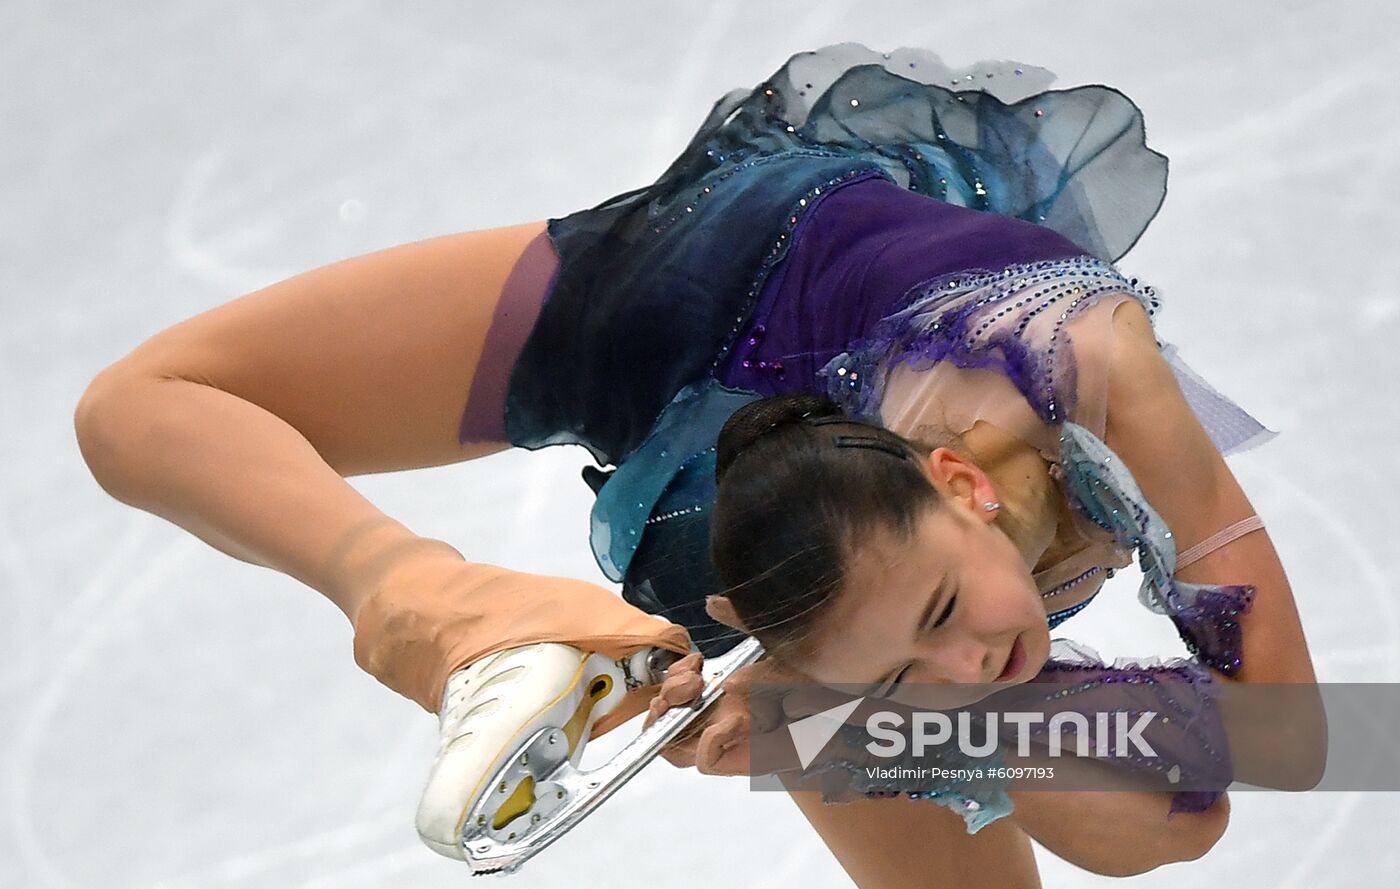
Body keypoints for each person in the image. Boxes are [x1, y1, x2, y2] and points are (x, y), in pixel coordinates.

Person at [73, 42, 1320, 884]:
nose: (963, 662)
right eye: (906, 657)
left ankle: (836, 699)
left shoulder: (1090, 363)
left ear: (962, 482)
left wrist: (843, 720)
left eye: (940, 617)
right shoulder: (900, 574)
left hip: (831, 528)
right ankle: (453, 612)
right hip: (691, 291)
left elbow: (1275, 746)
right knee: (144, 408)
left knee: (1149, 812)